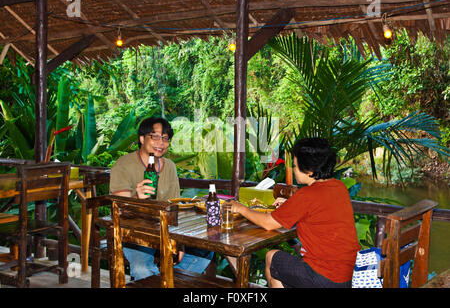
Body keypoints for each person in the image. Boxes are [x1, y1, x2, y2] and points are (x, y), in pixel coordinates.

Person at [230, 137, 360, 288]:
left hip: (325, 276)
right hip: (348, 275)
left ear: (309, 171)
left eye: (296, 166)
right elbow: (320, 209)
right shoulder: (339, 187)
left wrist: (241, 208)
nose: (293, 169)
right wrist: (290, 205)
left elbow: (268, 223)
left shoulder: (306, 195)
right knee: (280, 275)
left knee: (271, 257)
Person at [110, 116, 213, 281]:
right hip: (134, 232)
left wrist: (181, 243)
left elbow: (175, 205)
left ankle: (169, 281)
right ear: (142, 139)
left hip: (165, 229)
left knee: (206, 250)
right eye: (155, 136)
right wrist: (137, 197)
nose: (161, 143)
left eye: (165, 138)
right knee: (142, 268)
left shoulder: (170, 166)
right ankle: (162, 281)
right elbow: (119, 207)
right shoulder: (124, 164)